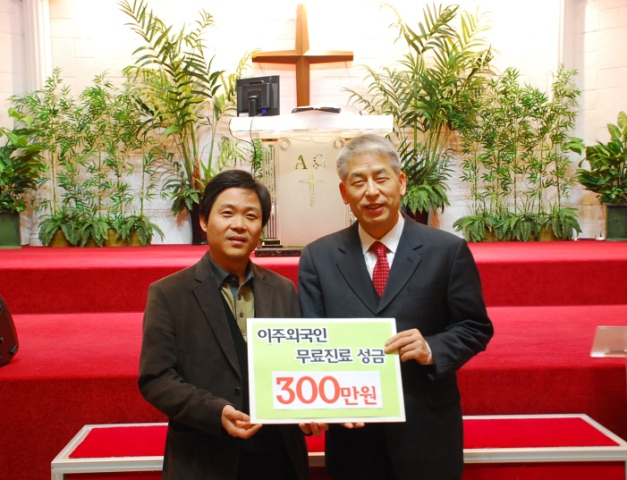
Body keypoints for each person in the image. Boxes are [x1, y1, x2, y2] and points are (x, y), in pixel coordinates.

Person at [298, 134, 494, 480]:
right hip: (353, 435)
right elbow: (310, 339)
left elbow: (474, 327)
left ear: (401, 183)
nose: (371, 191)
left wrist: (431, 348)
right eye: (358, 181)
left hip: (426, 429)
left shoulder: (447, 251)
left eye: (381, 178)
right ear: (344, 193)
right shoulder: (318, 257)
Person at [139, 169, 309, 480]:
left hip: (279, 456)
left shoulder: (282, 289)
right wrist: (214, 412)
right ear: (204, 221)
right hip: (205, 457)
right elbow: (156, 378)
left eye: (251, 216)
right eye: (227, 213)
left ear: (261, 227)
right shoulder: (169, 293)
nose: (239, 225)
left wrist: (312, 409)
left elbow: (298, 362)